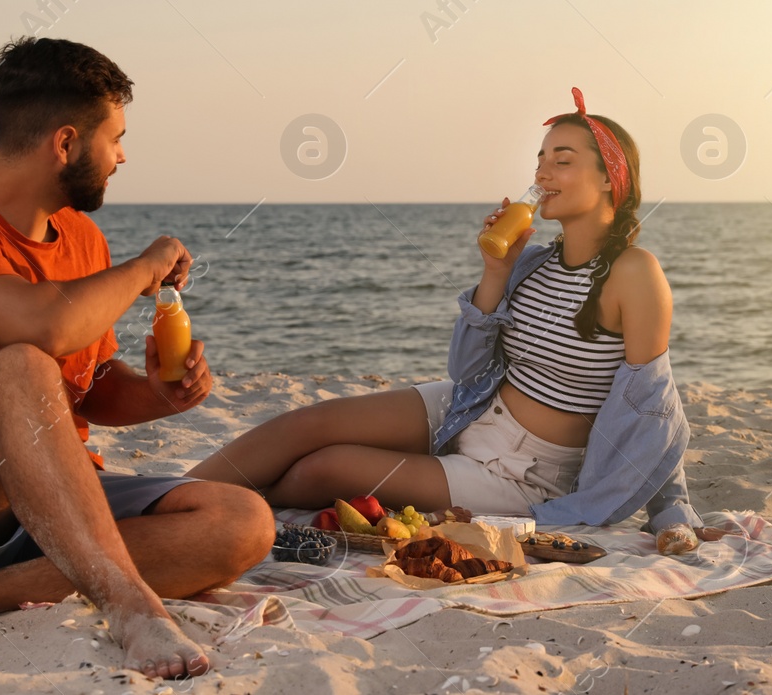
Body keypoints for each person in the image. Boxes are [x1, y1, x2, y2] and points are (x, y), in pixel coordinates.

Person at [0, 37, 273, 680]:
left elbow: (93, 387)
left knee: (243, 521)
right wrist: (146, 267)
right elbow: (40, 329)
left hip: (44, 504)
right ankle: (130, 607)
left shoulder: (83, 239)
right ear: (66, 143)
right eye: (117, 137)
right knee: (23, 364)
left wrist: (164, 393)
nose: (123, 155)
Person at [187, 88, 721, 553]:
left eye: (562, 160)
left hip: (521, 473)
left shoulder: (634, 273)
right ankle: (167, 499)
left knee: (320, 470)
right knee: (304, 424)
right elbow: (466, 371)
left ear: (610, 179)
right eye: (539, 158)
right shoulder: (533, 262)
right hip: (472, 406)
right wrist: (496, 272)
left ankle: (214, 512)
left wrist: (670, 511)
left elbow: (652, 410)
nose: (541, 172)